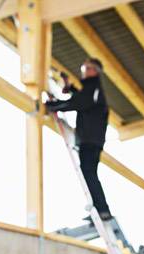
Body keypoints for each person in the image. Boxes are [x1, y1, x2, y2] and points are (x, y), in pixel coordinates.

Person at [45, 58, 112, 220]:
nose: (84, 71)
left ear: (95, 70)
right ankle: (101, 209)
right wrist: (71, 88)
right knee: (89, 172)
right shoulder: (93, 89)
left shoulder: (93, 88)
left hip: (90, 139)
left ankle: (102, 209)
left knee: (88, 172)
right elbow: (84, 99)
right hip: (92, 139)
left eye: (87, 68)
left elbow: (81, 102)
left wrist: (55, 106)